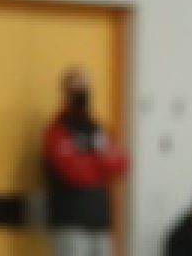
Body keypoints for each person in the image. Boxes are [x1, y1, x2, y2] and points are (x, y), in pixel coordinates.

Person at [43, 67, 129, 256]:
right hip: (70, 221)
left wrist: (89, 161)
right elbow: (74, 174)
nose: (82, 92)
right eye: (77, 88)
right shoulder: (57, 130)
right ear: (66, 93)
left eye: (85, 87)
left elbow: (121, 163)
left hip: (100, 221)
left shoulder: (98, 128)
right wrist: (101, 162)